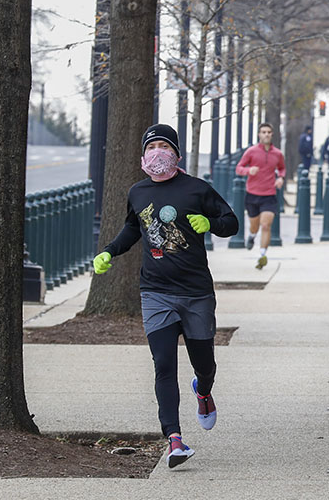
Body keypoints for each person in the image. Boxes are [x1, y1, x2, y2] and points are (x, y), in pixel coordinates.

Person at [92, 124, 238, 469]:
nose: (158, 151)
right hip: (155, 292)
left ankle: (203, 391)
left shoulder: (197, 189)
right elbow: (132, 228)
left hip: (196, 293)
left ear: (176, 153)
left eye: (164, 145)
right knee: (163, 365)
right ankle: (174, 439)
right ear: (144, 156)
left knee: (205, 364)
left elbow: (230, 221)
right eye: (152, 146)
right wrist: (110, 252)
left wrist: (210, 223)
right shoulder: (137, 192)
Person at [235, 122, 285, 269]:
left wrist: (281, 178)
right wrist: (248, 171)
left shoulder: (278, 154)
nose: (266, 134)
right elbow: (239, 168)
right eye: (263, 132)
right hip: (252, 195)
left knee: (266, 225)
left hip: (269, 195)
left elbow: (281, 168)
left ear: (272, 134)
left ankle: (262, 255)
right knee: (255, 226)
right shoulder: (251, 152)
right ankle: (251, 236)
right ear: (259, 134)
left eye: (269, 132)